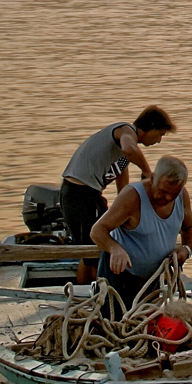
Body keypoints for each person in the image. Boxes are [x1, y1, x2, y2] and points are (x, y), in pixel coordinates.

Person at [60, 106, 174, 281]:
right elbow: (129, 149)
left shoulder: (122, 156)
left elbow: (124, 188)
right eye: (160, 134)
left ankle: (104, 288)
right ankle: (84, 294)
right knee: (91, 250)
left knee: (106, 240)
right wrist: (147, 171)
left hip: (91, 194)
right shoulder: (126, 131)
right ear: (151, 125)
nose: (159, 141)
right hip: (78, 193)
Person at [90, 155, 192, 311]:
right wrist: (114, 248)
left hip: (153, 280)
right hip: (120, 277)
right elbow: (97, 231)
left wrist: (186, 249)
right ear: (152, 178)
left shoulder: (182, 195)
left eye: (173, 195)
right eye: (163, 191)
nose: (167, 198)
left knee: (148, 327)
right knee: (114, 326)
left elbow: (189, 228)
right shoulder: (132, 197)